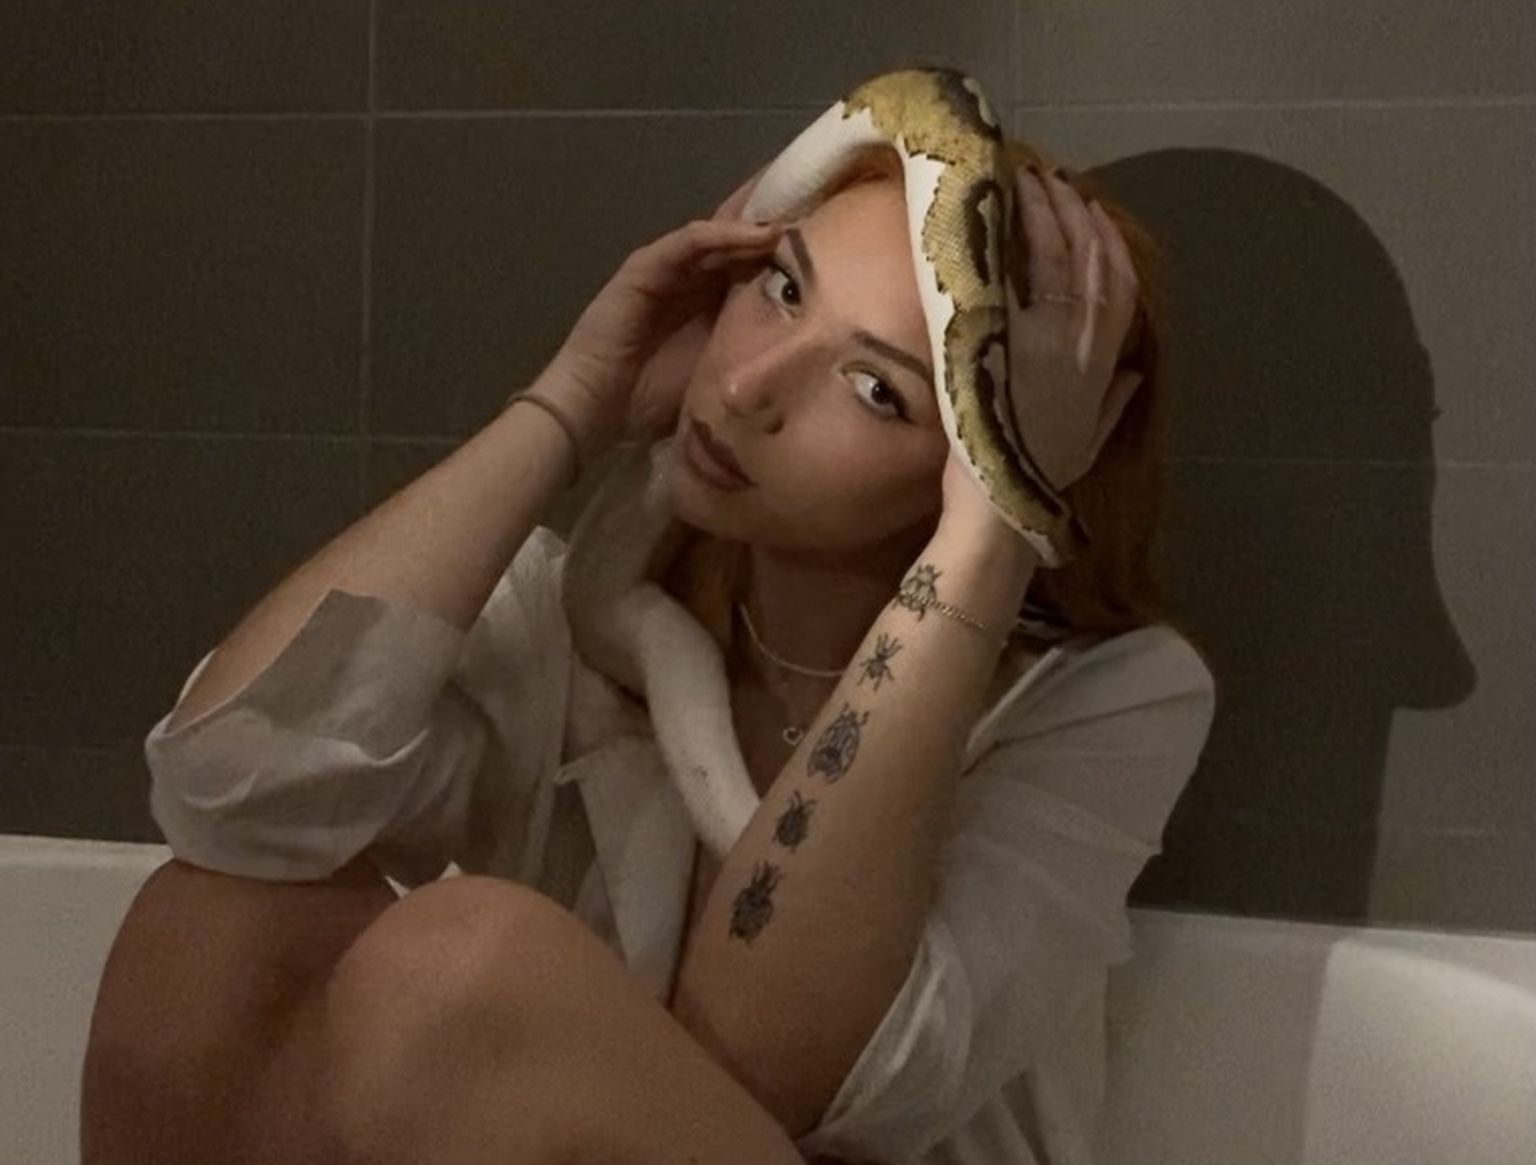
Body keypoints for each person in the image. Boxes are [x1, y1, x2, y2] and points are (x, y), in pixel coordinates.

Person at [81, 140, 1215, 1165]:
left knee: (455, 972)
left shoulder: (1113, 700)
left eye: (878, 390)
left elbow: (774, 1071)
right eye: (782, 290)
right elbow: (230, 791)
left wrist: (992, 530)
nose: (749, 385)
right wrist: (574, 402)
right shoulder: (597, 606)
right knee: (205, 936)